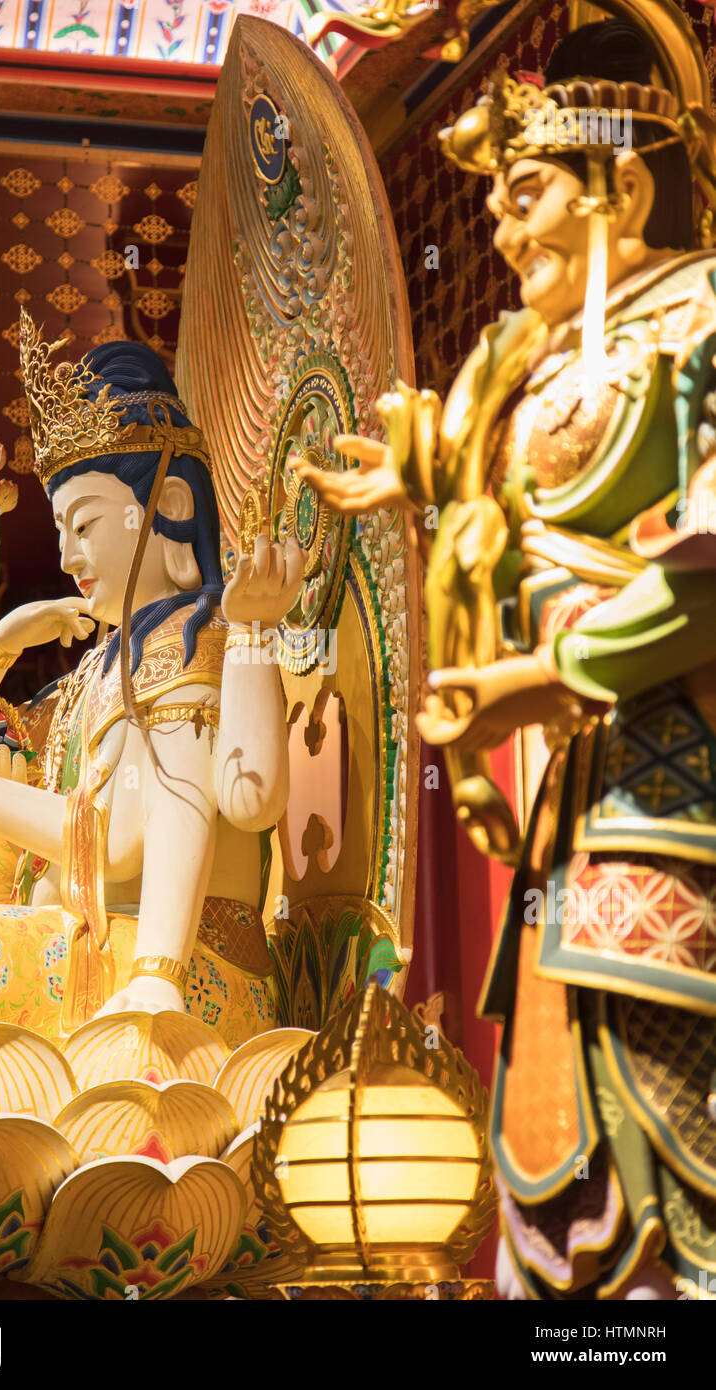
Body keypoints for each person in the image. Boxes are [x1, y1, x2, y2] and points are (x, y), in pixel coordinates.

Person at [298, 17, 716, 1299]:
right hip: (577, 794)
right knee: (557, 1131)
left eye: (525, 193)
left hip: (677, 769)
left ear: (622, 187)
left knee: (665, 1132)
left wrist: (557, 671)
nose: (497, 228)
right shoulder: (531, 361)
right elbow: (517, 493)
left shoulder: (700, 317)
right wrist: (420, 472)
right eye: (488, 202)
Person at [0, 312, 302, 1049]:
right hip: (93, 936)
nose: (65, 556)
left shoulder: (188, 645)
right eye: (60, 529)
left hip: (176, 971)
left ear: (173, 509)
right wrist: (4, 639)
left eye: (85, 525)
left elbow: (132, 837)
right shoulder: (103, 663)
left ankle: (154, 980)